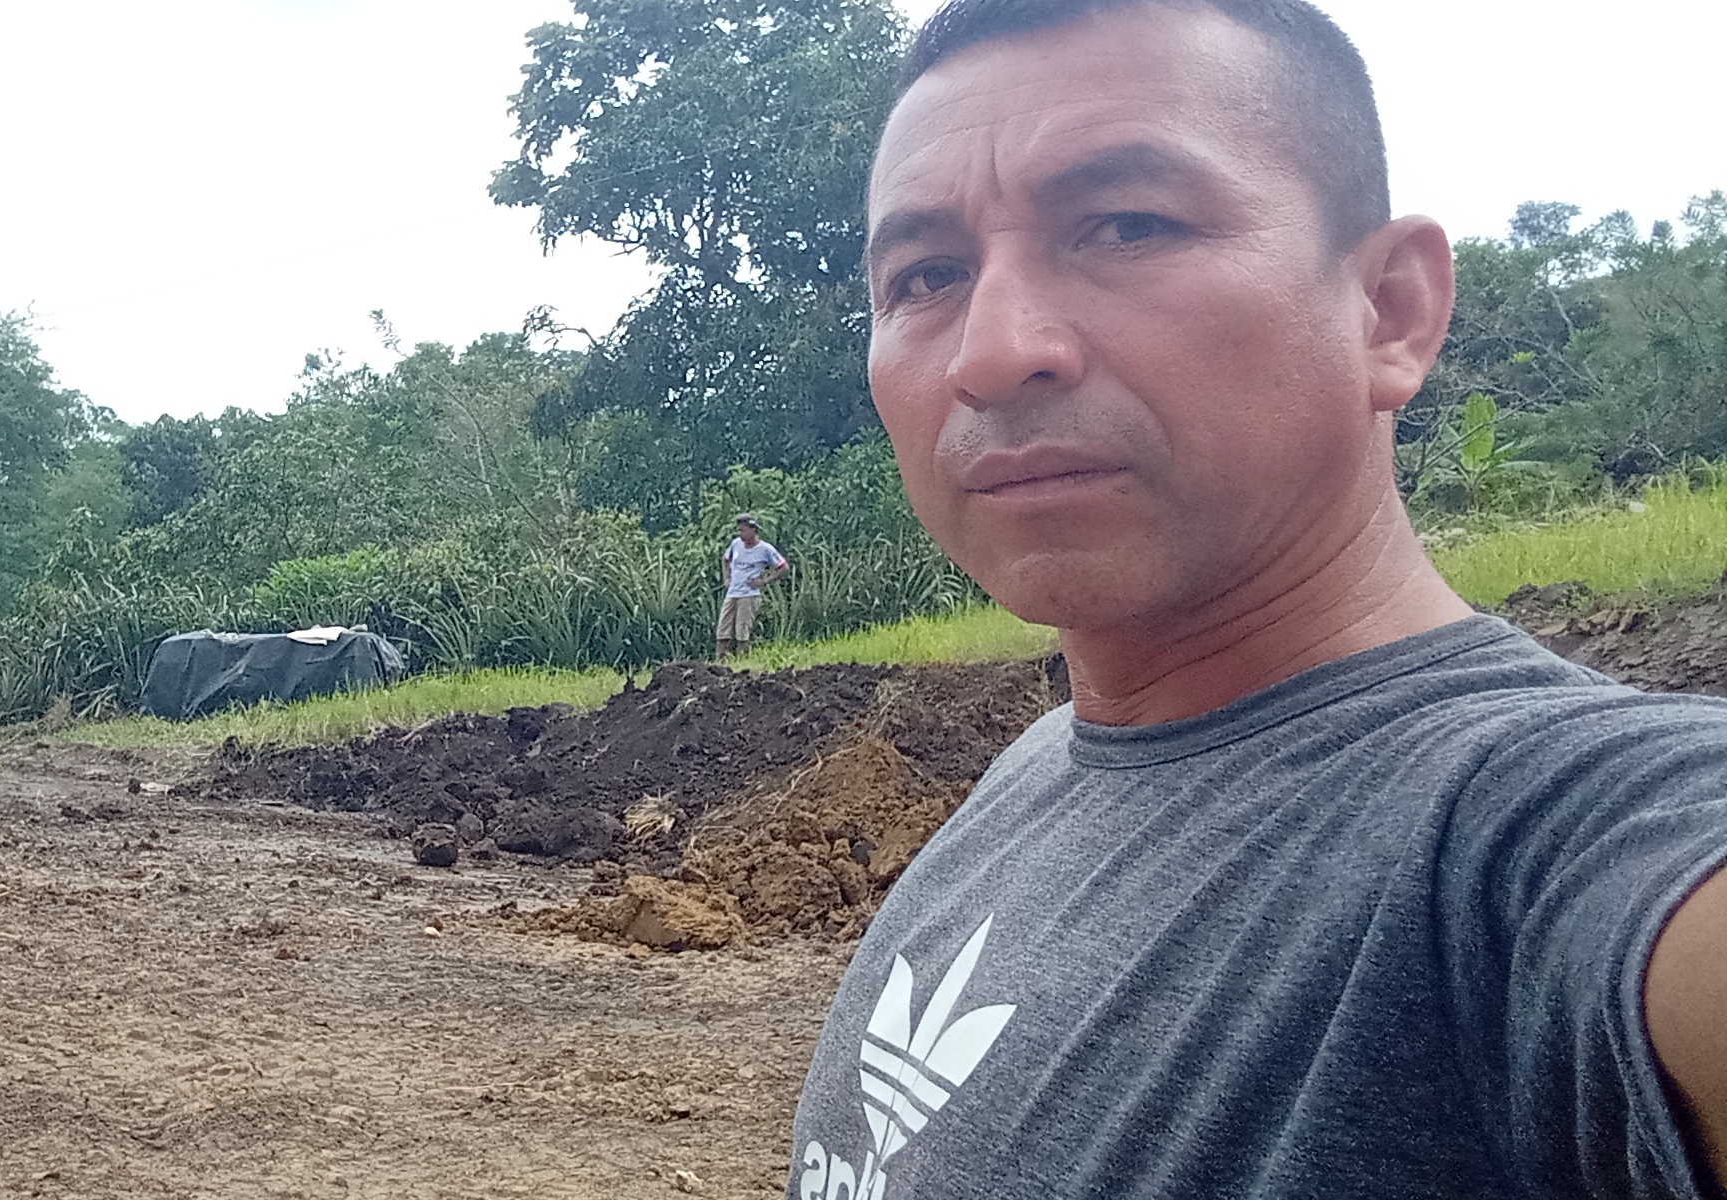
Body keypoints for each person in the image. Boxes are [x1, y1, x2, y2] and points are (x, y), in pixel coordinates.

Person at [787, 2, 1727, 1198]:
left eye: (1127, 226)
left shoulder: (1540, 842)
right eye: (927, 276)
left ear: (1389, 311)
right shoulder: (1040, 768)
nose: (993, 351)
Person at [718, 514, 791, 659]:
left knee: (742, 632)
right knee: (722, 631)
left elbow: (784, 568)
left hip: (749, 594)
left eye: (743, 530)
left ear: (753, 530)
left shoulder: (765, 549)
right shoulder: (736, 544)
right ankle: (720, 660)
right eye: (739, 530)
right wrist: (727, 577)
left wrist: (764, 581)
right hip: (732, 593)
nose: (741, 534)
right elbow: (726, 559)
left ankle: (742, 661)